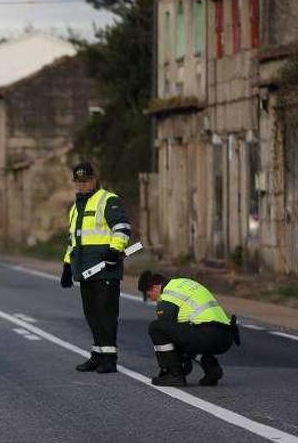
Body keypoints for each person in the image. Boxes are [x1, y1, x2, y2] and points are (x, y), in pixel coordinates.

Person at [60, 162, 131, 374]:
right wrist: (66, 265)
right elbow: (73, 241)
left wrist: (114, 251)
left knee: (106, 315)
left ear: (94, 179)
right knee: (92, 315)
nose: (82, 185)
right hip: (85, 271)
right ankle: (98, 354)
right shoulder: (75, 209)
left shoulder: (108, 200)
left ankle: (109, 358)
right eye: (78, 182)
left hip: (106, 269)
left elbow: (122, 228)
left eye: (86, 181)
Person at [137, 271, 240, 386]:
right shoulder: (183, 283)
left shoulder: (167, 296)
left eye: (149, 295)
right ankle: (211, 369)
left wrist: (167, 367)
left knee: (156, 328)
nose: (151, 299)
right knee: (185, 333)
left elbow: (168, 335)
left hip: (206, 334)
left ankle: (174, 375)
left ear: (155, 287)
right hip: (226, 336)